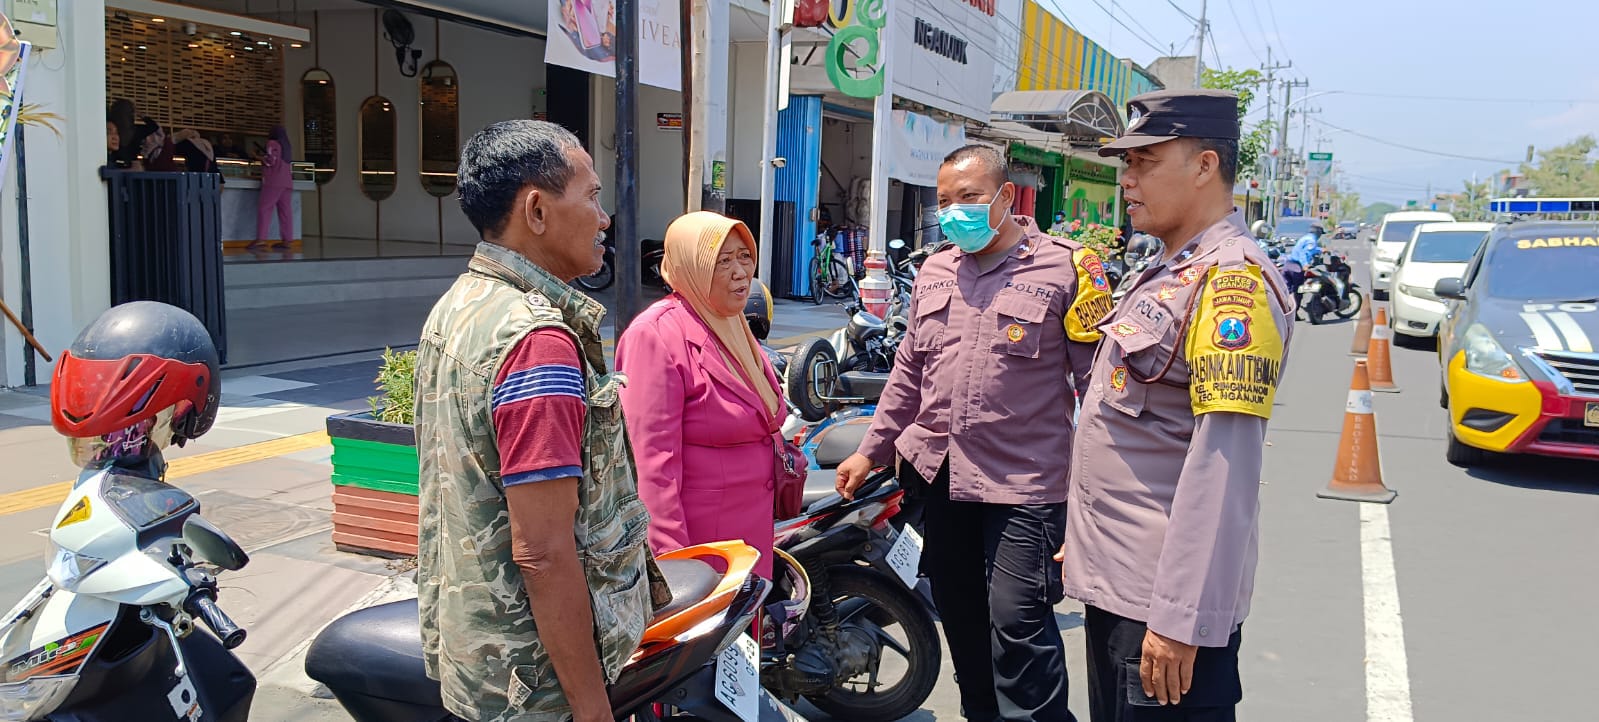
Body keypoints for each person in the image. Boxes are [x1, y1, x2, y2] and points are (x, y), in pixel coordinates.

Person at [836, 144, 1114, 722]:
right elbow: (909, 373)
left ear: (1007, 197)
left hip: (1025, 485)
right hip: (940, 477)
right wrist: (870, 451)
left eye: (969, 197)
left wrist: (1095, 503)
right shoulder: (936, 270)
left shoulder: (1067, 268)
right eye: (944, 202)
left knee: (1017, 623)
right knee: (961, 618)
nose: (954, 211)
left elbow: (1099, 392)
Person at [414, 119, 668, 722]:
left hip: (482, 664)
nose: (605, 218)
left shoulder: (460, 305)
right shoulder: (537, 342)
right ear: (536, 210)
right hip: (539, 686)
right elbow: (545, 551)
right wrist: (591, 708)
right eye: (592, 196)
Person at [1067, 89, 1295, 721]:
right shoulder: (1165, 267)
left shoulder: (1232, 286)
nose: (1127, 179)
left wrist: (1180, 620)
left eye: (1145, 161)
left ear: (1204, 166)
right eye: (1126, 164)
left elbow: (1222, 468)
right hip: (1118, 580)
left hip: (1159, 606)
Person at [616, 212, 794, 580]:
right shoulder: (656, 335)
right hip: (704, 549)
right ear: (690, 265)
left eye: (744, 256)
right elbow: (650, 464)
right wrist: (673, 565)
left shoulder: (734, 323)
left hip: (751, 538)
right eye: (723, 260)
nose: (741, 271)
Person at [255, 125, 295, 249]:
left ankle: (261, 239)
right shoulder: (287, 146)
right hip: (287, 182)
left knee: (265, 209)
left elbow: (270, 160)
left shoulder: (272, 143)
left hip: (273, 181)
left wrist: (257, 157)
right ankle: (287, 240)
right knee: (285, 212)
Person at [1283, 221, 1325, 290]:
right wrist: (1305, 265)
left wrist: (1320, 250)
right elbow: (1305, 253)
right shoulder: (1312, 240)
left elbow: (1310, 249)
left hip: (1288, 265)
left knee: (1286, 290)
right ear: (1318, 232)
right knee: (1299, 290)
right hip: (1296, 267)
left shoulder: (1305, 238)